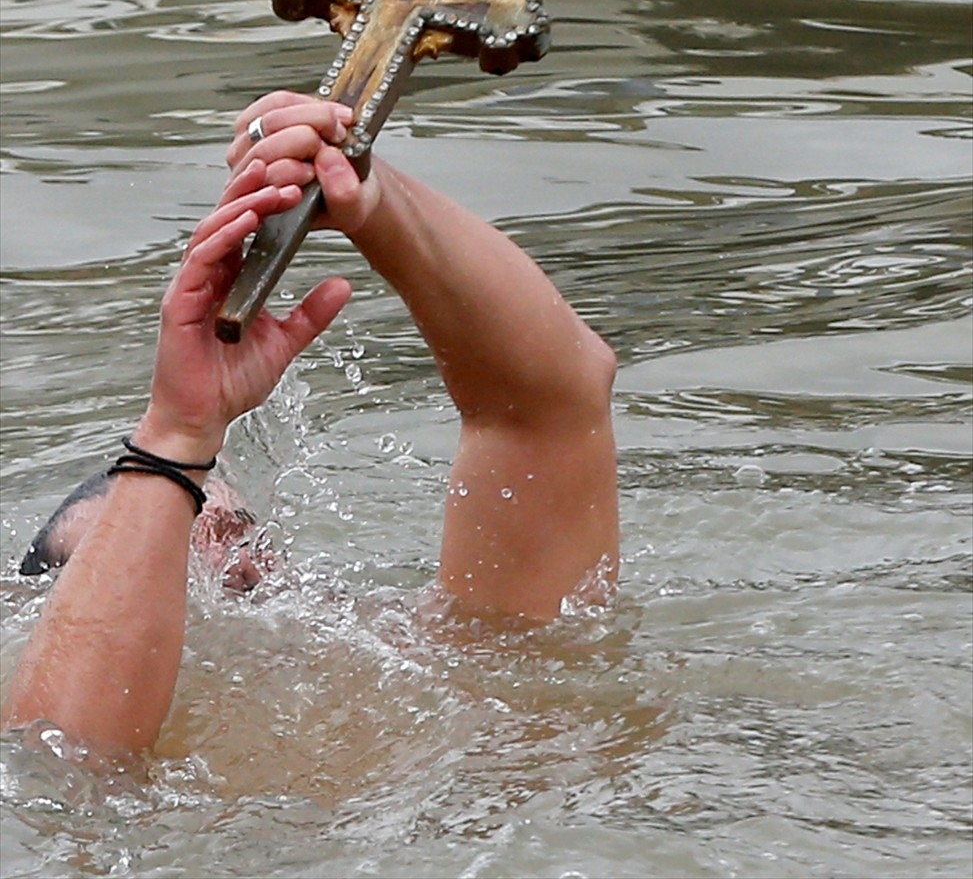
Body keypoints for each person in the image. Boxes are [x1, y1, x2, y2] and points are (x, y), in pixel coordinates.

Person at [1, 91, 618, 758]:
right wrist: (177, 440)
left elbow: (547, 407)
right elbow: (62, 763)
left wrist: (370, 195)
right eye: (176, 557)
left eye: (239, 534)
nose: (228, 566)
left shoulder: (435, 676)